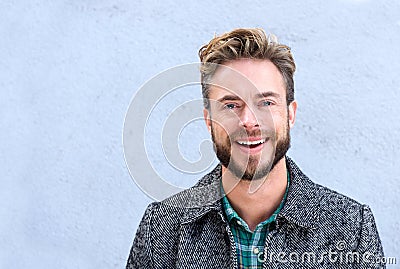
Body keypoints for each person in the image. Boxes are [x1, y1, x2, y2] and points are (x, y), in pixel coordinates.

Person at [126, 28, 385, 268]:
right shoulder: (160, 227)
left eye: (266, 103)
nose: (249, 121)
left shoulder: (352, 226)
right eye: (230, 105)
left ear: (290, 114)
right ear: (208, 120)